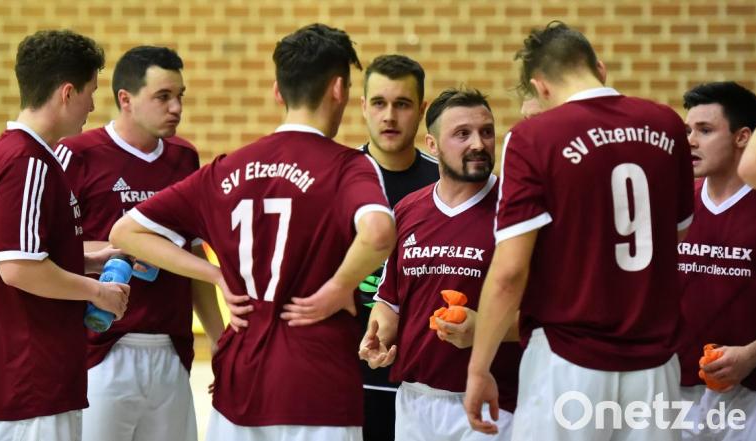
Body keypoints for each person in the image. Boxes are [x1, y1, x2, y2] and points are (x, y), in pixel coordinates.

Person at [108, 23, 396, 441]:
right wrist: (339, 288)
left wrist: (215, 274)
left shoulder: (225, 169)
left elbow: (126, 232)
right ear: (339, 90)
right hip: (318, 384)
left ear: (278, 92)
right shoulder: (347, 166)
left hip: (239, 383)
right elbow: (378, 232)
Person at [464, 21, 695, 441]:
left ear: (541, 87)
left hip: (568, 362)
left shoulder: (533, 137)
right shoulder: (668, 124)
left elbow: (510, 272)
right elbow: (672, 239)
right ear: (600, 68)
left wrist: (479, 367)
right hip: (657, 366)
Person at [0, 30, 130, 441]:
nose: (94, 106)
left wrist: (90, 259)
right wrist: (97, 293)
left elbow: (23, 252)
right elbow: (19, 268)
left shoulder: (3, 153)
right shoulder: (28, 161)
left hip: (21, 377)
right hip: (32, 379)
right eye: (91, 92)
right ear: (67, 92)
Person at [57, 46, 225, 441]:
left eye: (180, 95)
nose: (176, 108)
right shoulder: (77, 154)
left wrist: (220, 340)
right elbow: (50, 250)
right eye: (163, 96)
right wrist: (122, 249)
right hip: (99, 348)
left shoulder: (185, 158)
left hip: (170, 346)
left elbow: (193, 252)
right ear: (126, 100)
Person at [361, 88, 522, 441]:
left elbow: (548, 318)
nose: (478, 144)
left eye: (486, 131)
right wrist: (378, 336)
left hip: (494, 401)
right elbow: (390, 302)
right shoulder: (407, 210)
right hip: (415, 400)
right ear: (432, 145)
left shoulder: (517, 210)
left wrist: (486, 329)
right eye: (462, 134)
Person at [356, 53, 439, 441]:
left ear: (422, 109)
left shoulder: (447, 183)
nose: (389, 116)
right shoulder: (334, 180)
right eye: (379, 103)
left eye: (402, 104)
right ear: (363, 107)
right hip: (348, 379)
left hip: (426, 383)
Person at [677, 81, 756, 441]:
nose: (691, 141)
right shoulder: (677, 204)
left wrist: (753, 354)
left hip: (752, 391)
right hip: (677, 387)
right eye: (688, 131)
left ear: (743, 137)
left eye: (705, 130)